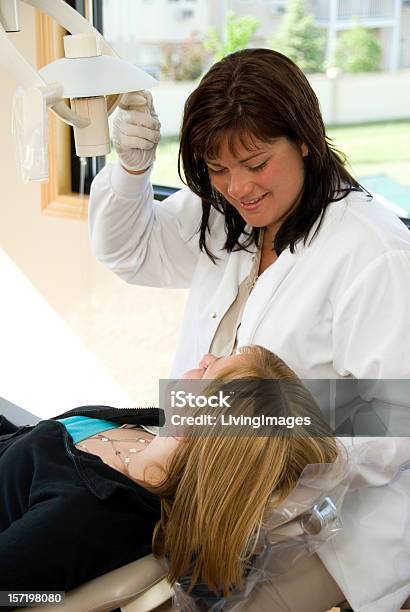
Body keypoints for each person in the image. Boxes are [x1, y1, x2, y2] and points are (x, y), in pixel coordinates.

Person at [87, 48, 410, 610]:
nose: (238, 187)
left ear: (304, 139)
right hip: (205, 477)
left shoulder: (373, 249)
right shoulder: (227, 207)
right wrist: (134, 169)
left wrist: (234, 429)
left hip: (333, 524)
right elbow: (129, 252)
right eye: (217, 170)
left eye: (256, 164)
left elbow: (394, 418)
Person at [0, 346, 343, 611]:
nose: (205, 357)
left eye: (210, 367)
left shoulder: (85, 511)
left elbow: (8, 594)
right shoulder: (150, 429)